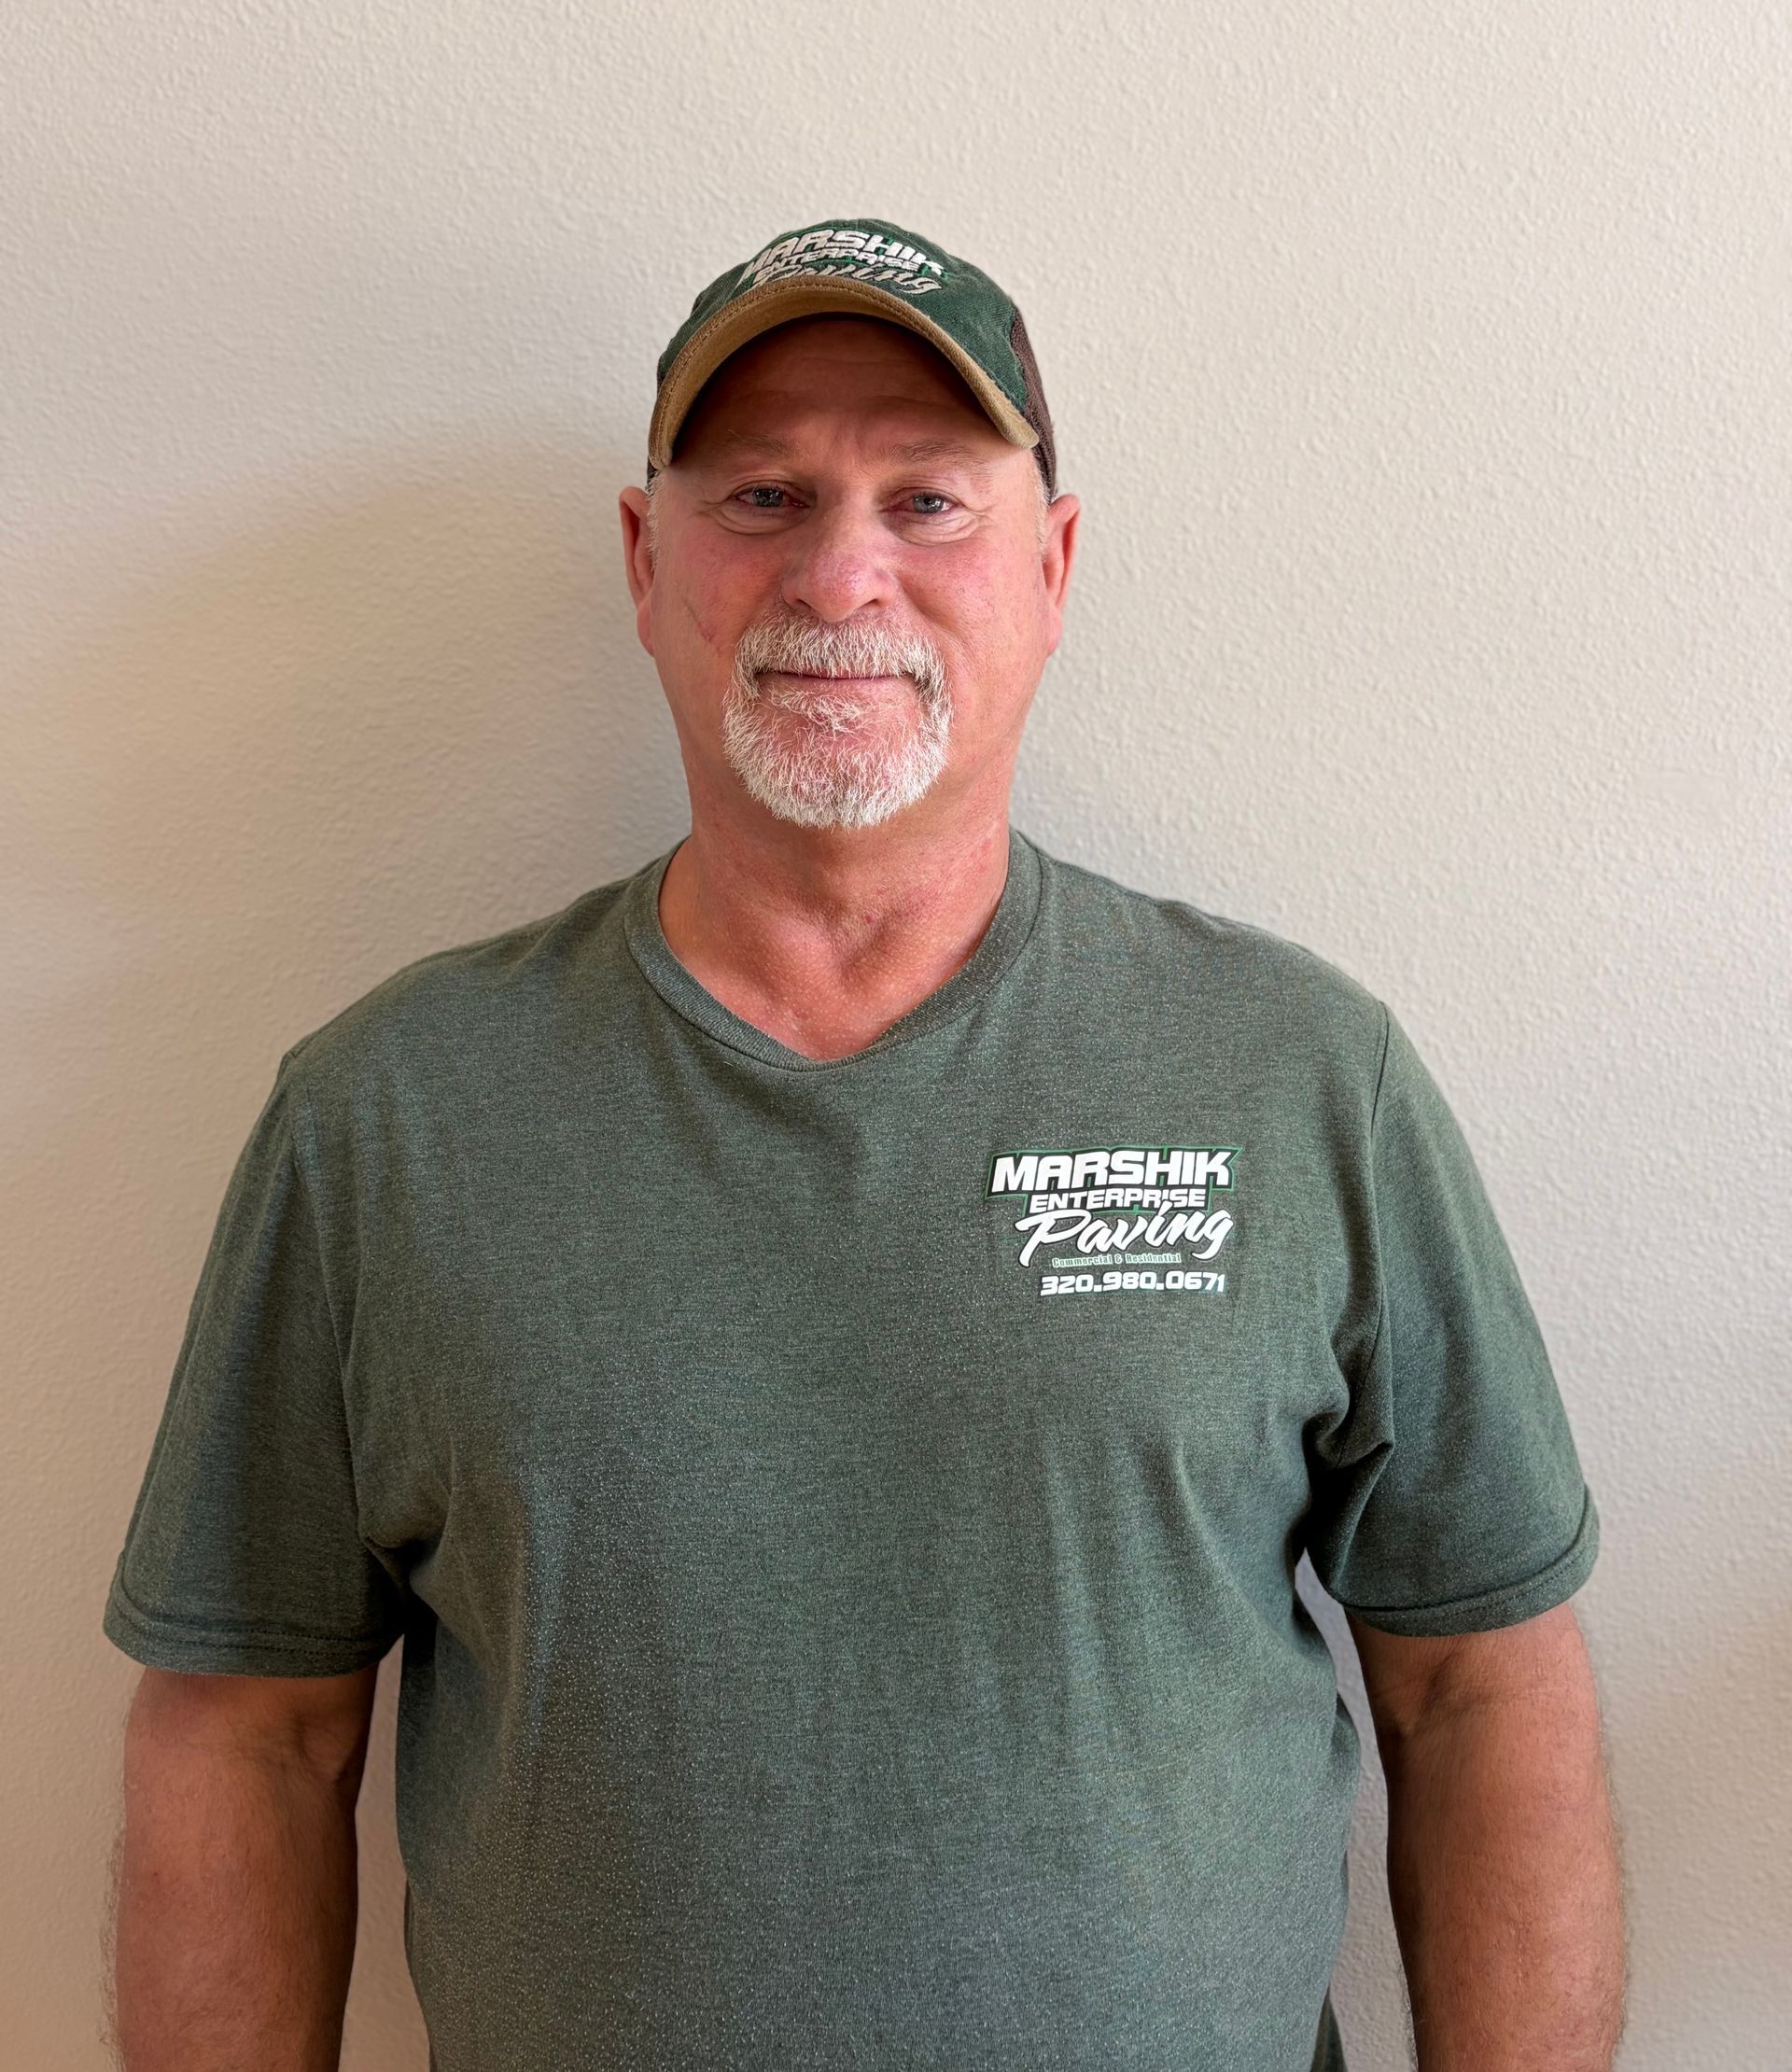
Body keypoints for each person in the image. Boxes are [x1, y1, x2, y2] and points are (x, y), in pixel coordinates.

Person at [103, 217, 1626, 2072]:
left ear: (1053, 570)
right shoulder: (385, 1120)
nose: (841, 571)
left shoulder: (1298, 1076)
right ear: (646, 563)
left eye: (928, 500)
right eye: (762, 495)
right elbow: (250, 1739)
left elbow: (1481, 1685)